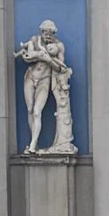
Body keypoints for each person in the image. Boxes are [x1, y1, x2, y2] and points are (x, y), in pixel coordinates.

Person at [17, 18, 75, 153]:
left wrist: (48, 60)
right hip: (30, 77)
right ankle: (34, 144)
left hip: (45, 79)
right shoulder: (34, 41)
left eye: (50, 33)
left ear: (53, 33)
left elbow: (61, 68)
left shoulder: (58, 46)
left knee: (37, 111)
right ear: (41, 32)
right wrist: (35, 55)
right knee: (30, 110)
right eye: (44, 32)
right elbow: (26, 57)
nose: (47, 35)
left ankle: (32, 145)